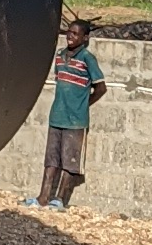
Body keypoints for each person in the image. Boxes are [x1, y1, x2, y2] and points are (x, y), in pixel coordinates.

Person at [33, 15, 106, 212]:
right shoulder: (59, 56)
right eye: (68, 32)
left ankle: (60, 199)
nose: (70, 37)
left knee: (69, 162)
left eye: (75, 34)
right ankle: (42, 197)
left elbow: (101, 88)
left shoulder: (87, 59)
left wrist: (83, 105)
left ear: (85, 38)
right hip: (57, 116)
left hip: (75, 121)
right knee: (51, 160)